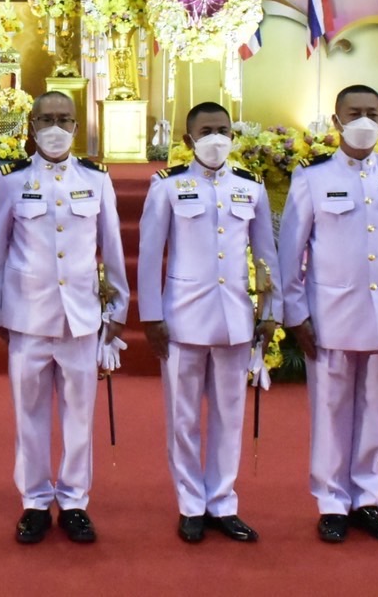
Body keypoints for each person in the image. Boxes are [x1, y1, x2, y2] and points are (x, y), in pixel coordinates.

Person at [277, 85, 378, 544]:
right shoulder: (312, 177)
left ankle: (368, 499)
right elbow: (291, 252)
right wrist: (296, 315)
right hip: (330, 315)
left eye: (373, 113)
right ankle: (331, 502)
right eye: (355, 113)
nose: (364, 121)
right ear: (336, 121)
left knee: (376, 411)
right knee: (330, 411)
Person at [0, 91, 129, 545]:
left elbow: (113, 249)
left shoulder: (97, 179)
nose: (54, 127)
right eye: (45, 119)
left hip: (82, 317)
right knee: (28, 413)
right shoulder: (11, 181)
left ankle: (73, 501)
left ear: (75, 124)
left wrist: (119, 310)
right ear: (30, 125)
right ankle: (33, 501)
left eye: (63, 119)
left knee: (78, 415)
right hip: (28, 316)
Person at [136, 101, 278, 545]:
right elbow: (148, 256)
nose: (217, 138)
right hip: (182, 318)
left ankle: (222, 501)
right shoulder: (167, 187)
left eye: (224, 130)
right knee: (182, 418)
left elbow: (266, 257)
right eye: (207, 130)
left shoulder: (250, 188)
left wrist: (270, 313)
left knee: (228, 415)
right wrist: (152, 316)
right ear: (188, 139)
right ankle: (190, 504)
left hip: (236, 317)